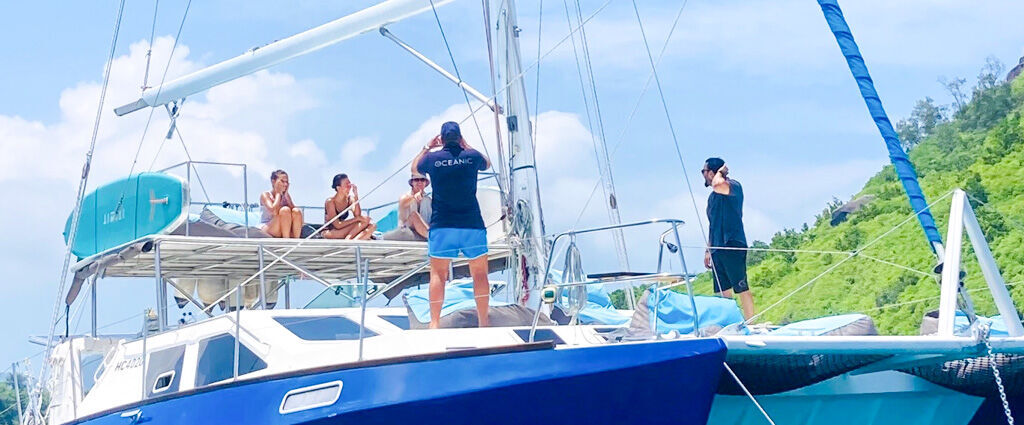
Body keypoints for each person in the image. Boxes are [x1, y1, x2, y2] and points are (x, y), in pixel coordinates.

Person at [412, 121, 491, 328]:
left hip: (443, 224)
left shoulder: (432, 158)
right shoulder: (471, 157)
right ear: (460, 137)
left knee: (438, 274)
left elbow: (415, 169)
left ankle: (435, 323)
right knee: (480, 273)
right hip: (471, 223)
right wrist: (467, 145)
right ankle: (483, 322)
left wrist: (427, 147)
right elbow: (487, 163)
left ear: (442, 138)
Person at [702, 157, 756, 320]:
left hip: (732, 243)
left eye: (704, 171)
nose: (703, 175)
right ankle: (730, 323)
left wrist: (720, 173)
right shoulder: (711, 198)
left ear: (712, 172)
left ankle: (751, 322)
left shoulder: (733, 186)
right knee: (722, 291)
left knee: (741, 286)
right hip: (717, 247)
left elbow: (718, 185)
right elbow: (712, 225)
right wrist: (708, 250)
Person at [381, 172, 432, 241]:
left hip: (422, 233)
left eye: (422, 180)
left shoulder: (430, 200)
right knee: (414, 215)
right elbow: (403, 203)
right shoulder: (405, 197)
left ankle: (432, 236)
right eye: (416, 180)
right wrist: (414, 197)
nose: (419, 182)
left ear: (425, 183)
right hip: (406, 231)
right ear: (412, 183)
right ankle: (433, 238)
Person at [323, 173, 376, 240]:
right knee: (365, 221)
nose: (349, 187)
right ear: (338, 188)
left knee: (372, 225)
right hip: (330, 232)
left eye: (350, 184)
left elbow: (357, 215)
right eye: (346, 185)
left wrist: (356, 196)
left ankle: (351, 241)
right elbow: (337, 225)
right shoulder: (330, 201)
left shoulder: (350, 199)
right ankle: (350, 239)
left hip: (343, 230)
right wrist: (357, 219)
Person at [261, 170, 303, 238]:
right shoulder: (265, 195)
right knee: (285, 210)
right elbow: (273, 211)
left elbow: (296, 214)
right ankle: (286, 240)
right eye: (282, 181)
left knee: (296, 211)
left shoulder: (286, 196)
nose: (285, 184)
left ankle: (296, 239)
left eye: (287, 182)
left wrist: (286, 195)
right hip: (269, 227)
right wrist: (278, 193)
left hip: (283, 228)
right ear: (273, 181)